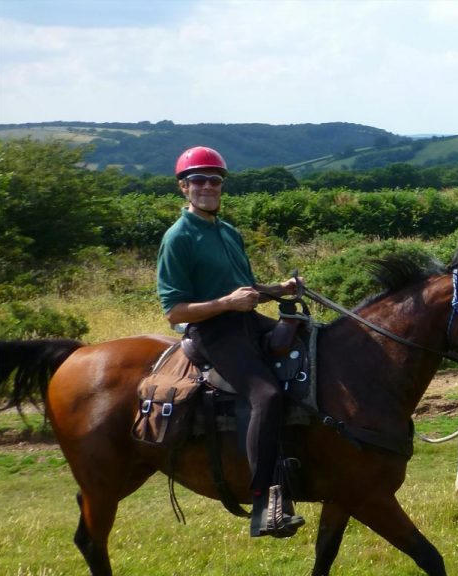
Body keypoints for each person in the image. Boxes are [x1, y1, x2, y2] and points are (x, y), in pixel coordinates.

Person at [157, 146, 305, 538]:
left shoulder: (227, 231)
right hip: (213, 333)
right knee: (267, 395)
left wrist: (280, 289)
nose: (207, 186)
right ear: (183, 188)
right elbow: (174, 311)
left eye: (215, 180)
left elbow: (246, 289)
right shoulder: (178, 238)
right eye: (198, 180)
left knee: (310, 351)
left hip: (246, 320)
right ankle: (264, 501)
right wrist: (226, 303)